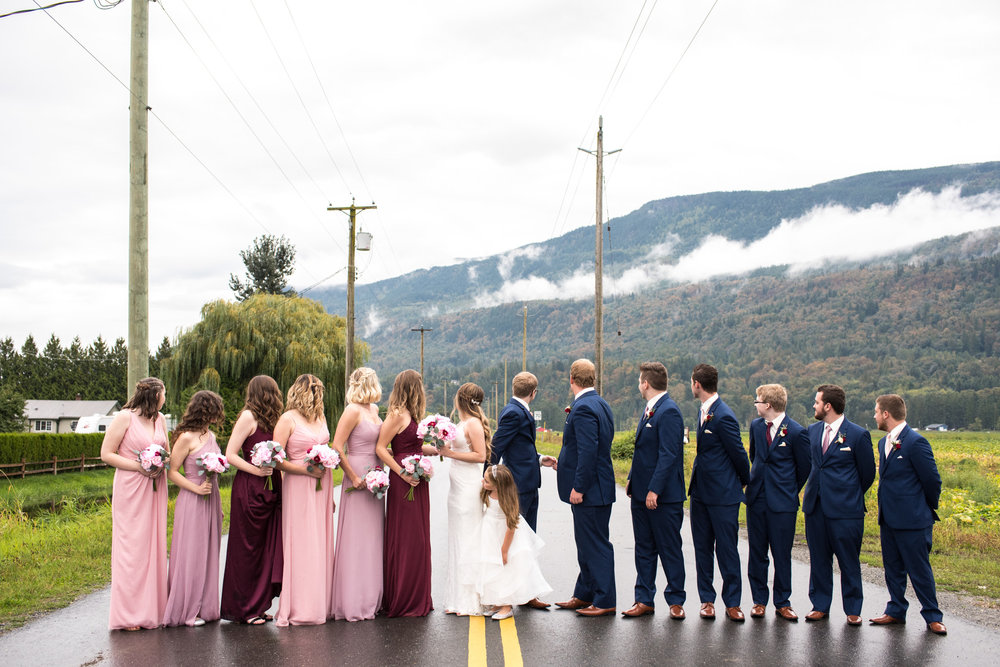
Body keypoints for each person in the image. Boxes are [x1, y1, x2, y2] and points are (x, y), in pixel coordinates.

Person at [869, 394, 946, 635]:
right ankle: (895, 610)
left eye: (875, 411)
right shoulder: (884, 443)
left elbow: (932, 480)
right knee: (892, 568)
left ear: (885, 414)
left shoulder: (916, 442)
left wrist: (924, 507)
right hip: (889, 518)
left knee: (919, 569)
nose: (873, 416)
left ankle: (933, 615)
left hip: (913, 520)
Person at [802, 384, 876, 626]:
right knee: (819, 559)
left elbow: (867, 474)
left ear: (828, 406)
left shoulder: (857, 435)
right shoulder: (812, 431)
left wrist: (849, 494)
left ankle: (853, 609)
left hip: (846, 511)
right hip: (816, 508)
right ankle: (820, 605)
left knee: (848, 561)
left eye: (816, 402)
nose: (813, 405)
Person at [101, 377, 170, 631]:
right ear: (154, 395)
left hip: (155, 487)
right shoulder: (124, 418)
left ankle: (153, 609)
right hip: (131, 487)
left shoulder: (160, 420)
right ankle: (129, 614)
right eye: (164, 393)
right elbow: (106, 454)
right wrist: (140, 466)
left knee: (152, 545)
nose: (165, 398)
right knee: (131, 548)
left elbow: (166, 452)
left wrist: (161, 463)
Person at [623, 362, 686, 620]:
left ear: (646, 383)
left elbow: (668, 454)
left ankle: (676, 600)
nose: (639, 384)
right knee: (644, 548)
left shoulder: (669, 411)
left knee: (669, 547)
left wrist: (654, 490)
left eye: (640, 380)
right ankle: (644, 598)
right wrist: (630, 479)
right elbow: (644, 452)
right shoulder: (650, 409)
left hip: (663, 497)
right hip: (640, 493)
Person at [554, 359, 617, 617]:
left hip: (591, 490)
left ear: (572, 379)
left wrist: (579, 486)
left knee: (596, 545)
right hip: (597, 486)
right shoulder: (600, 403)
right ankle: (584, 594)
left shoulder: (583, 408)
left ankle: (604, 600)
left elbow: (588, 451)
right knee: (586, 543)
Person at [688, 363, 750, 622]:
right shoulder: (704, 412)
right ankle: (707, 600)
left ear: (697, 384)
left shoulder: (723, 415)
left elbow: (739, 454)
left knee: (726, 549)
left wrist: (741, 483)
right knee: (702, 548)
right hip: (700, 493)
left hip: (723, 496)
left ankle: (733, 602)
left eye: (691, 382)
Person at [220, 375, 284, 625]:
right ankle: (244, 609)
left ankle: (259, 604)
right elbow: (230, 454)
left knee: (265, 549)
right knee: (248, 549)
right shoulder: (248, 417)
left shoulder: (273, 420)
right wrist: (256, 470)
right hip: (250, 487)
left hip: (271, 486)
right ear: (267, 393)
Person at [745, 383, 810, 622]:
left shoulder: (795, 431)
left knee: (781, 553)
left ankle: (782, 601)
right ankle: (759, 600)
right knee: (757, 552)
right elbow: (755, 457)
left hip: (782, 502)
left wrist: (789, 489)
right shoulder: (755, 426)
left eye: (757, 401)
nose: (756, 405)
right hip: (757, 498)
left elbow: (804, 466)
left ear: (768, 405)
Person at [274, 374, 335, 626]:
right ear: (302, 392)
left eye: (319, 391)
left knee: (320, 541)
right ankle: (301, 606)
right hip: (298, 484)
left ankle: (321, 602)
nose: (318, 395)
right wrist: (305, 470)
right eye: (315, 391)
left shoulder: (321, 417)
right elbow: (275, 458)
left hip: (322, 486)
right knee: (302, 543)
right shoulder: (287, 420)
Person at [377, 369, 438, 617]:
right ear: (413, 387)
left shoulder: (411, 415)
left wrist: (434, 449)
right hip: (404, 480)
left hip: (418, 478)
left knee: (419, 538)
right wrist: (401, 472)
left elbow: (412, 444)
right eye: (420, 385)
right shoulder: (397, 414)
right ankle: (404, 598)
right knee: (408, 538)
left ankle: (418, 595)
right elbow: (381, 448)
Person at [163, 390, 226, 627]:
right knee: (192, 552)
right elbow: (172, 472)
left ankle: (204, 607)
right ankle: (187, 610)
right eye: (215, 411)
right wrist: (195, 488)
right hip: (192, 498)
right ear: (205, 410)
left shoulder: (210, 436)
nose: (217, 416)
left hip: (212, 498)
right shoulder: (186, 437)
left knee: (209, 552)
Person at [331, 367, 385, 622]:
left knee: (374, 538)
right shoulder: (351, 410)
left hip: (376, 479)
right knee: (356, 539)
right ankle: (352, 601)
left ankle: (372, 598)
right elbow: (336, 447)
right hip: (357, 478)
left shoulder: (374, 410)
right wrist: (352, 476)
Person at [474, 464, 553, 621]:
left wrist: (504, 550)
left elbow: (511, 526)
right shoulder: (488, 492)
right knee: (493, 568)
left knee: (507, 568)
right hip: (490, 532)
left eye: (487, 481)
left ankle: (507, 605)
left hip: (506, 536)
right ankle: (497, 602)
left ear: (499, 486)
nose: (483, 482)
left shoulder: (505, 499)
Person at [439, 382, 490, 616]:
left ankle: (470, 600)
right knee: (457, 540)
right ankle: (456, 599)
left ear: (461, 399)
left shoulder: (473, 424)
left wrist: (450, 453)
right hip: (455, 489)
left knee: (469, 540)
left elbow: (481, 456)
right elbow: (450, 448)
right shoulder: (459, 423)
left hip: (469, 488)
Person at [490, 371, 557, 534]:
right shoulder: (514, 412)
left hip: (528, 483)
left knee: (528, 534)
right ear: (533, 393)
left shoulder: (517, 409)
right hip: (518, 484)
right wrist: (489, 478)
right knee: (519, 533)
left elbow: (520, 446)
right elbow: (496, 447)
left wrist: (540, 459)